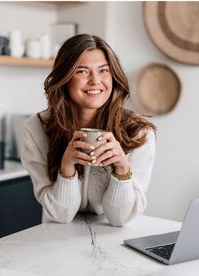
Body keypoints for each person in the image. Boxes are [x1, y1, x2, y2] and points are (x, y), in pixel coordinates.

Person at [21, 34, 156, 227]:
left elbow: (121, 219)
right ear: (65, 78)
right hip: (56, 239)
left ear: (113, 76)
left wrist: (122, 169)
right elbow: (60, 215)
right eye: (82, 71)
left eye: (103, 71)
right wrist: (66, 168)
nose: (95, 80)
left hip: (114, 241)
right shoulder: (36, 129)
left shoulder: (139, 132)